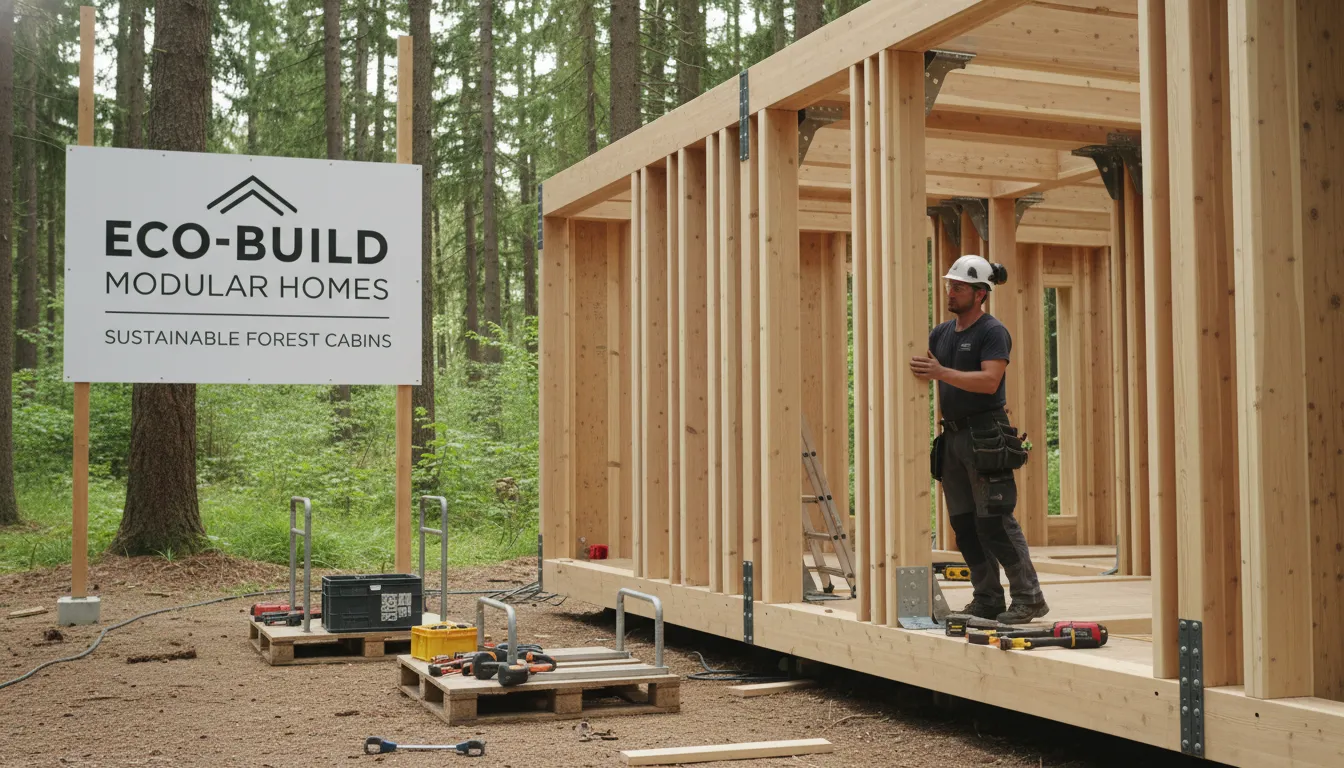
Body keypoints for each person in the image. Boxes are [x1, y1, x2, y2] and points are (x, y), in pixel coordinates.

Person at [908, 254, 1048, 624]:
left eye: (959, 287)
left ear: (980, 294)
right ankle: (987, 598)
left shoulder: (992, 332)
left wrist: (940, 372)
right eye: (950, 285)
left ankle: (1028, 597)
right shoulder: (940, 333)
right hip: (952, 439)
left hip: (986, 435)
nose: (950, 292)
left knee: (996, 521)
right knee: (965, 527)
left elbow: (989, 382)